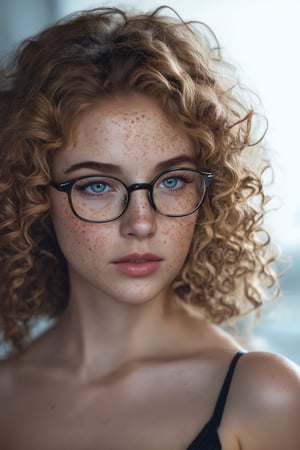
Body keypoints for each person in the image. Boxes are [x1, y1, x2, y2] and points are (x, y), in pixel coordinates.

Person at [0, 5, 299, 449]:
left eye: (173, 180)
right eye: (98, 184)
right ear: (35, 195)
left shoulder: (263, 396)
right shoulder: (6, 396)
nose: (141, 222)